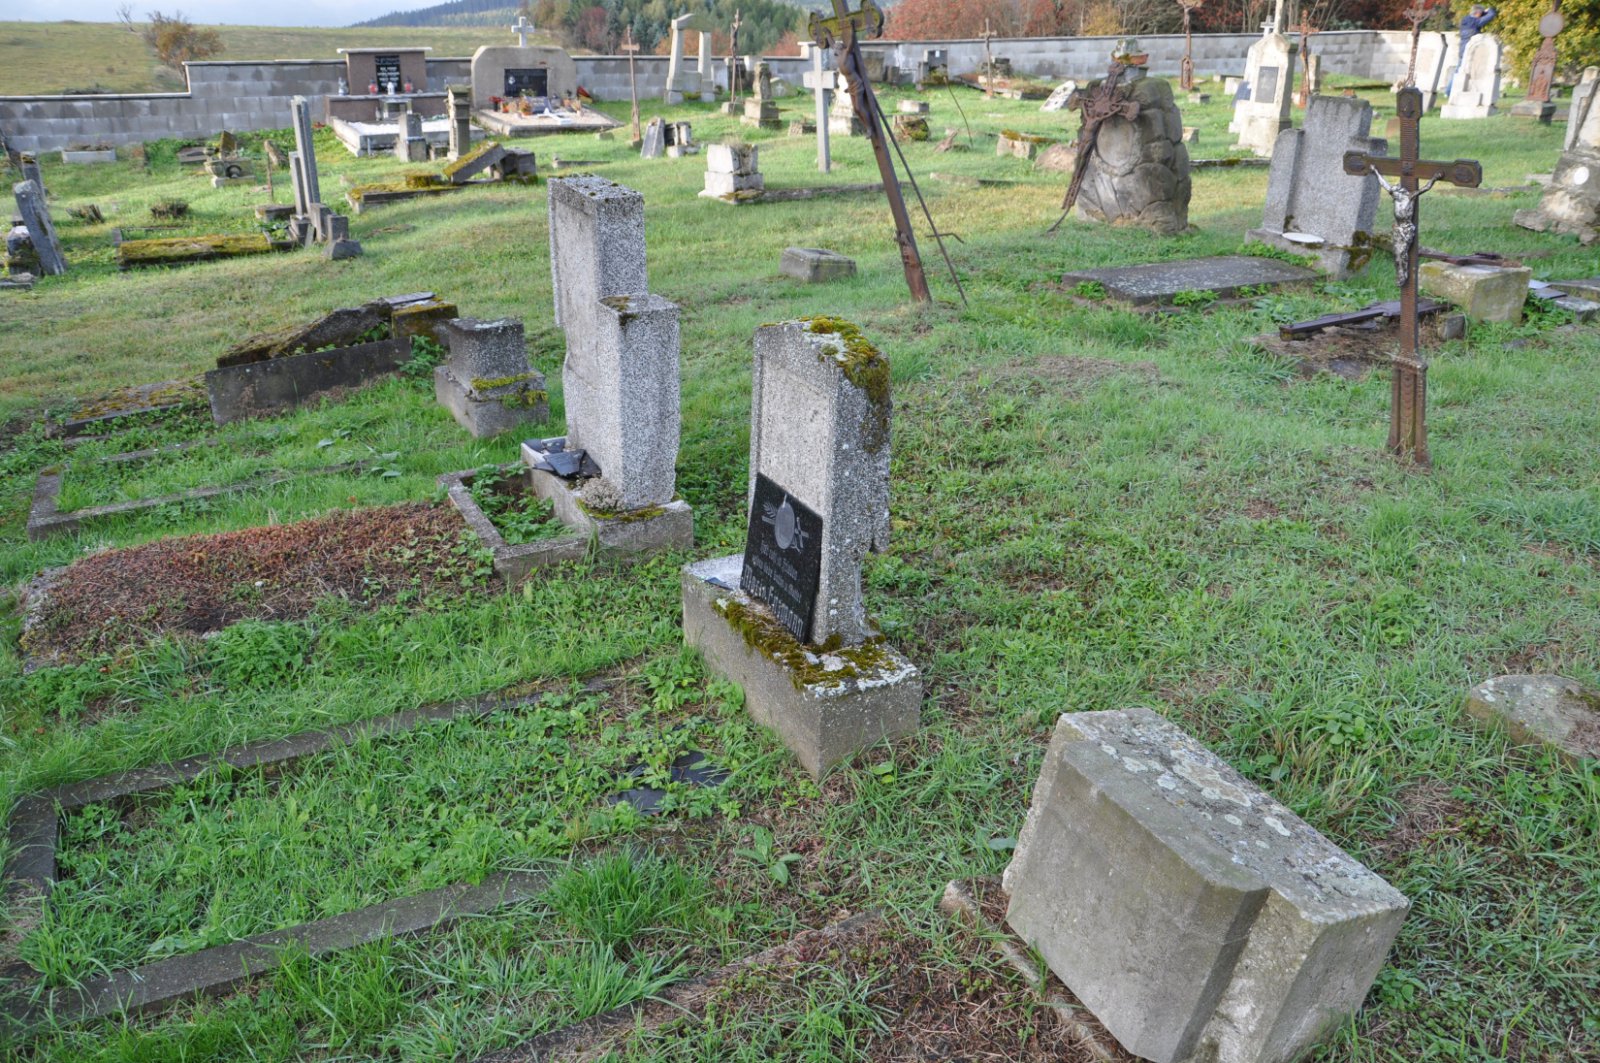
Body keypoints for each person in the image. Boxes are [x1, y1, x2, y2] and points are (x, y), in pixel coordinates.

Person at [1449, 5, 1497, 98]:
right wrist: (1490, 10)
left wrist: (1483, 12)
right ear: (1478, 13)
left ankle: (1449, 91)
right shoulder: (1475, 22)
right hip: (1470, 51)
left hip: (1463, 49)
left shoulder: (1466, 19)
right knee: (1463, 72)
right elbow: (1491, 16)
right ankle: (1450, 91)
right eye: (1481, 13)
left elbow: (1480, 18)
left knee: (1459, 71)